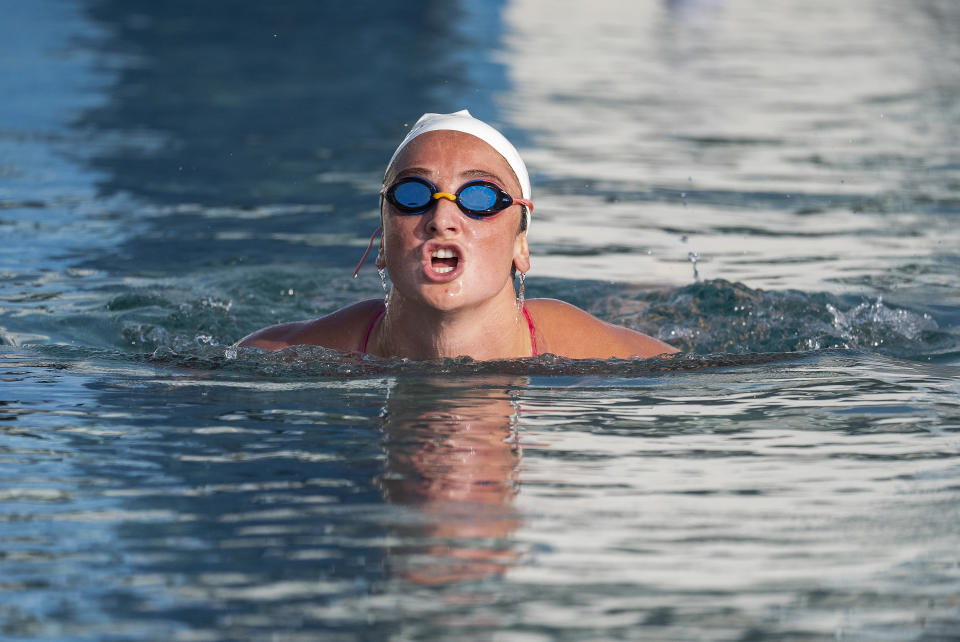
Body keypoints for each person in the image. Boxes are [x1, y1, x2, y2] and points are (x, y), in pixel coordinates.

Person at [238, 110, 678, 360]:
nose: (442, 217)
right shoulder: (317, 349)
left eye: (481, 197)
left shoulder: (579, 349)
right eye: (413, 194)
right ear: (382, 243)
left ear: (521, 245)